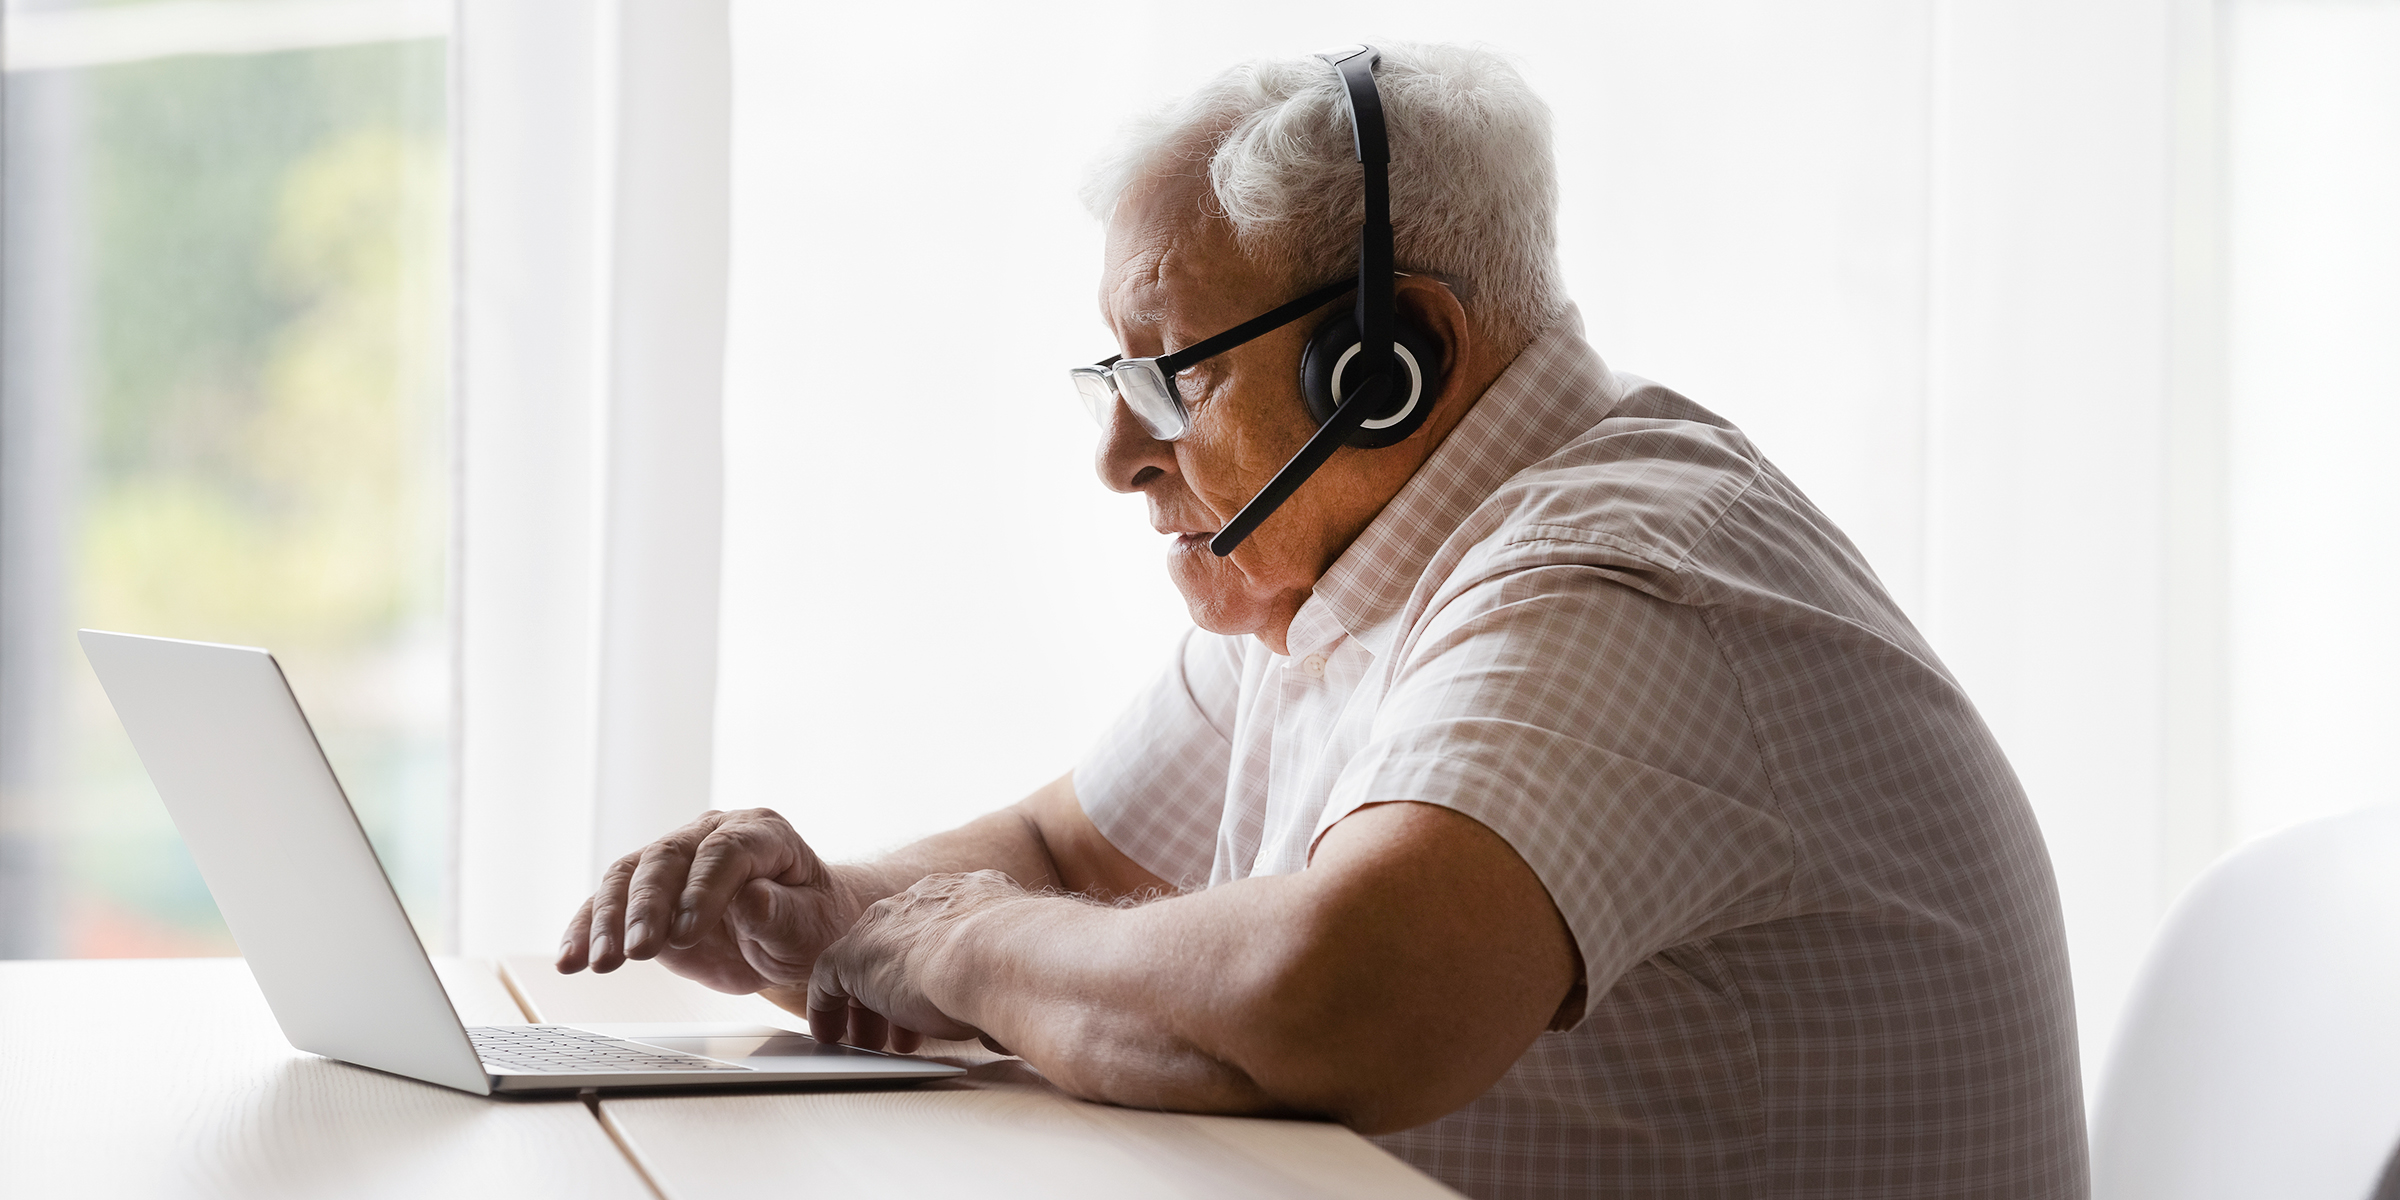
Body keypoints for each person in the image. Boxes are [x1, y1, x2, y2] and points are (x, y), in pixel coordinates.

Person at [555, 41, 2087, 1199]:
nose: (1117, 454)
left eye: (1178, 372)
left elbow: (1330, 1000)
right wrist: (828, 915)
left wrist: (957, 948)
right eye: (1116, 375)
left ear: (1392, 359)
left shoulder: (1618, 578)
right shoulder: (1338, 574)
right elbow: (1069, 859)